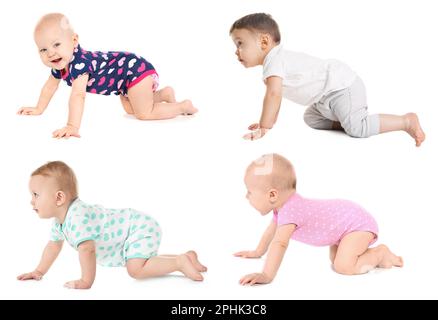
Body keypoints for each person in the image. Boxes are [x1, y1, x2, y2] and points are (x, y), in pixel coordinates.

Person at [230, 13, 425, 146]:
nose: (236, 51)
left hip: (341, 88)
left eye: (240, 43)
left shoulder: (274, 61)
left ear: (264, 41)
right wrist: (266, 120)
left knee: (358, 129)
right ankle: (347, 118)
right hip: (324, 98)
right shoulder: (275, 61)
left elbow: (273, 95)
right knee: (311, 118)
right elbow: (275, 96)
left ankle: (405, 121)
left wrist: (265, 125)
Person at [17, 161, 207, 289]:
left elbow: (87, 251)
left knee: (136, 269)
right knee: (140, 262)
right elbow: (53, 246)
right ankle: (187, 257)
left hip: (137, 228)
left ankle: (178, 263)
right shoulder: (60, 222)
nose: (31, 201)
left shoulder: (77, 218)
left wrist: (86, 281)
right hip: (133, 229)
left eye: (36, 195)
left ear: (59, 197)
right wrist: (38, 271)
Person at [18, 13, 197, 139]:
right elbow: (50, 87)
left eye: (56, 44)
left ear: (74, 41)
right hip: (127, 80)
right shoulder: (61, 64)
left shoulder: (80, 63)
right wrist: (38, 108)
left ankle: (182, 106)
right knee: (130, 109)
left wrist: (72, 126)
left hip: (135, 71)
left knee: (143, 113)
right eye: (43, 49)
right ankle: (163, 95)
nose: (50, 53)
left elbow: (78, 95)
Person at [235, 153, 402, 285]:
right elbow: (270, 233)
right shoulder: (283, 209)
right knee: (335, 260)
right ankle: (373, 257)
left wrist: (266, 275)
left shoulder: (291, 210)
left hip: (356, 225)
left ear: (272, 194)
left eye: (250, 192)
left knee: (343, 266)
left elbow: (280, 243)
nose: (246, 196)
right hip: (343, 227)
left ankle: (380, 253)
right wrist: (257, 252)